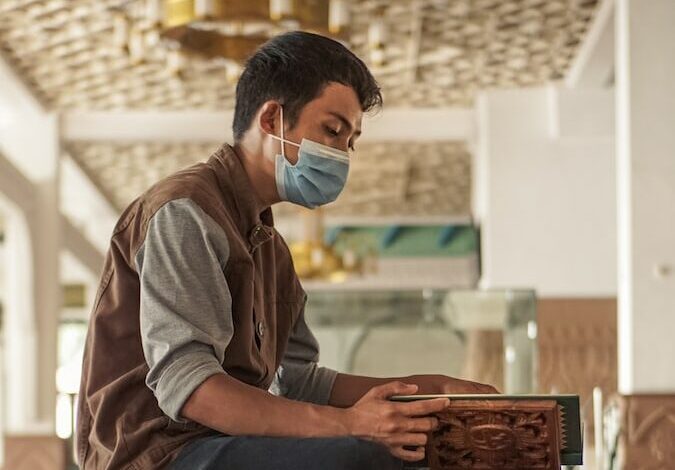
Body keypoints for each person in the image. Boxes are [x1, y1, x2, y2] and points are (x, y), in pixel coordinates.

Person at [76, 31, 497, 470]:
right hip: (158, 455)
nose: (342, 154)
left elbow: (297, 381)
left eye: (349, 141)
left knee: (423, 449)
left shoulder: (272, 249)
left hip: (222, 444)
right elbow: (190, 386)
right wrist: (352, 425)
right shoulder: (186, 211)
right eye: (332, 130)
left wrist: (421, 392)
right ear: (273, 118)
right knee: (362, 456)